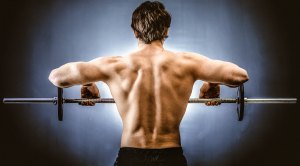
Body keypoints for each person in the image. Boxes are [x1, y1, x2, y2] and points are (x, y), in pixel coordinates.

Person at [48, 1, 249, 165]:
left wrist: (88, 83)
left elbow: (57, 77)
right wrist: (211, 82)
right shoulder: (188, 63)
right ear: (166, 30)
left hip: (130, 157)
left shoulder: (114, 65)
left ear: (135, 31)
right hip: (171, 156)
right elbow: (239, 76)